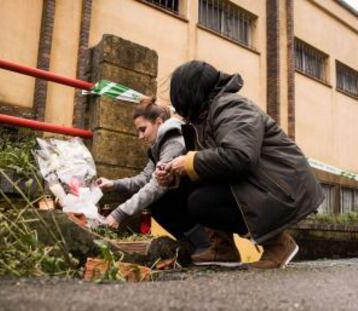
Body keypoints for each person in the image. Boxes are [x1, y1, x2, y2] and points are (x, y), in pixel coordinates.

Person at [156, 60, 324, 269]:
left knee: (202, 201)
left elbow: (240, 156)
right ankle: (222, 248)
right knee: (175, 191)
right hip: (262, 184)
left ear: (191, 94)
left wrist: (190, 161)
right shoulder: (207, 115)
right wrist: (176, 174)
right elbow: (215, 164)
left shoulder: (230, 106)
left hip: (282, 188)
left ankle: (278, 244)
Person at [96, 98, 210, 254]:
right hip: (193, 200)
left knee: (160, 198)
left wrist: (119, 214)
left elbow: (156, 185)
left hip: (200, 199)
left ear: (159, 122)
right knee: (155, 199)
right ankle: (190, 244)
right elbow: (144, 179)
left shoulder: (174, 142)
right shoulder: (158, 146)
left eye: (143, 129)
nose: (140, 136)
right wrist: (114, 184)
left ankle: (203, 244)